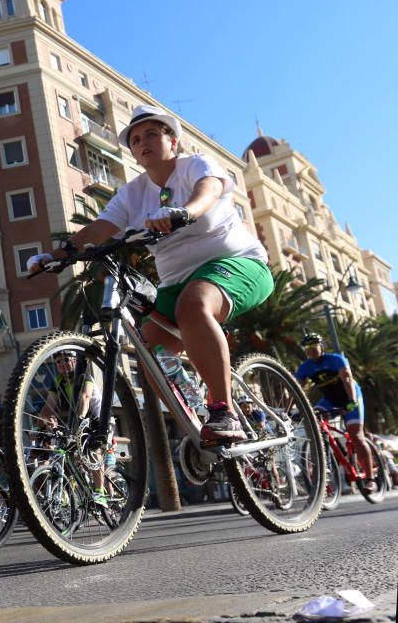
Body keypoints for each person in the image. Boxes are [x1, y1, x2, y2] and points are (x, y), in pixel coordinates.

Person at [29, 105, 273, 446]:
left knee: (194, 303)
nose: (143, 142)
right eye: (136, 139)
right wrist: (55, 257)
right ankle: (194, 414)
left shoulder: (194, 165)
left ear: (173, 141)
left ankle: (223, 410)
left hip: (237, 264)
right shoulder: (132, 194)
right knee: (148, 343)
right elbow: (100, 228)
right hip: (178, 283)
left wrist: (183, 212)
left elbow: (210, 190)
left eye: (152, 134)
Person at [294, 332, 376, 491]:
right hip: (330, 400)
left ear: (321, 346)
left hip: (350, 396)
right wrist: (289, 410)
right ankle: (329, 450)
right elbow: (297, 389)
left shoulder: (336, 359)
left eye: (313, 345)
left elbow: (347, 379)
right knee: (315, 418)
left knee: (356, 436)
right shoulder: (305, 367)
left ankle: (370, 478)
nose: (310, 349)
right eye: (307, 346)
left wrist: (351, 401)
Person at [40, 351, 109, 505]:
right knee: (67, 455)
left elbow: (85, 397)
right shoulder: (57, 382)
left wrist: (79, 420)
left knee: (92, 450)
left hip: (97, 420)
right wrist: (40, 424)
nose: (62, 364)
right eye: (58, 362)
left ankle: (100, 493)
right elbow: (48, 406)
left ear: (75, 361)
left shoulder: (85, 377)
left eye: (66, 359)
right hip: (73, 423)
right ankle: (76, 493)